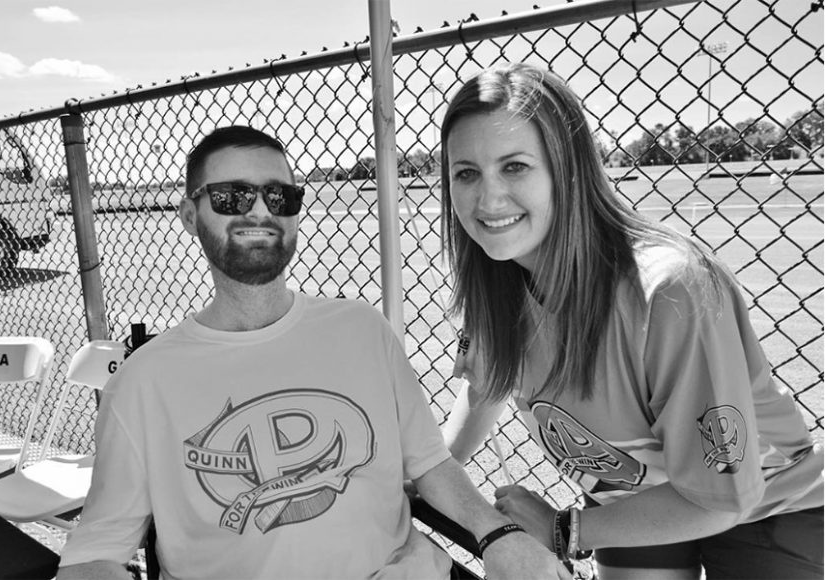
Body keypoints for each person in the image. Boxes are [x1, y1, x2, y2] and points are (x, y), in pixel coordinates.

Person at [57, 126, 555, 580]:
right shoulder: (144, 379)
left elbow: (431, 466)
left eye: (279, 195)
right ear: (190, 214)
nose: (259, 211)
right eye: (232, 196)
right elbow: (96, 554)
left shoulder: (362, 329)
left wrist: (498, 534)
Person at [439, 63, 823, 580]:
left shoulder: (669, 290)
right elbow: (486, 385)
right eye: (466, 173)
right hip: (637, 503)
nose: (487, 200)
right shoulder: (497, 281)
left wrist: (563, 530)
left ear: (566, 169)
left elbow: (725, 495)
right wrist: (427, 476)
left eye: (515, 167)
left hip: (764, 502)